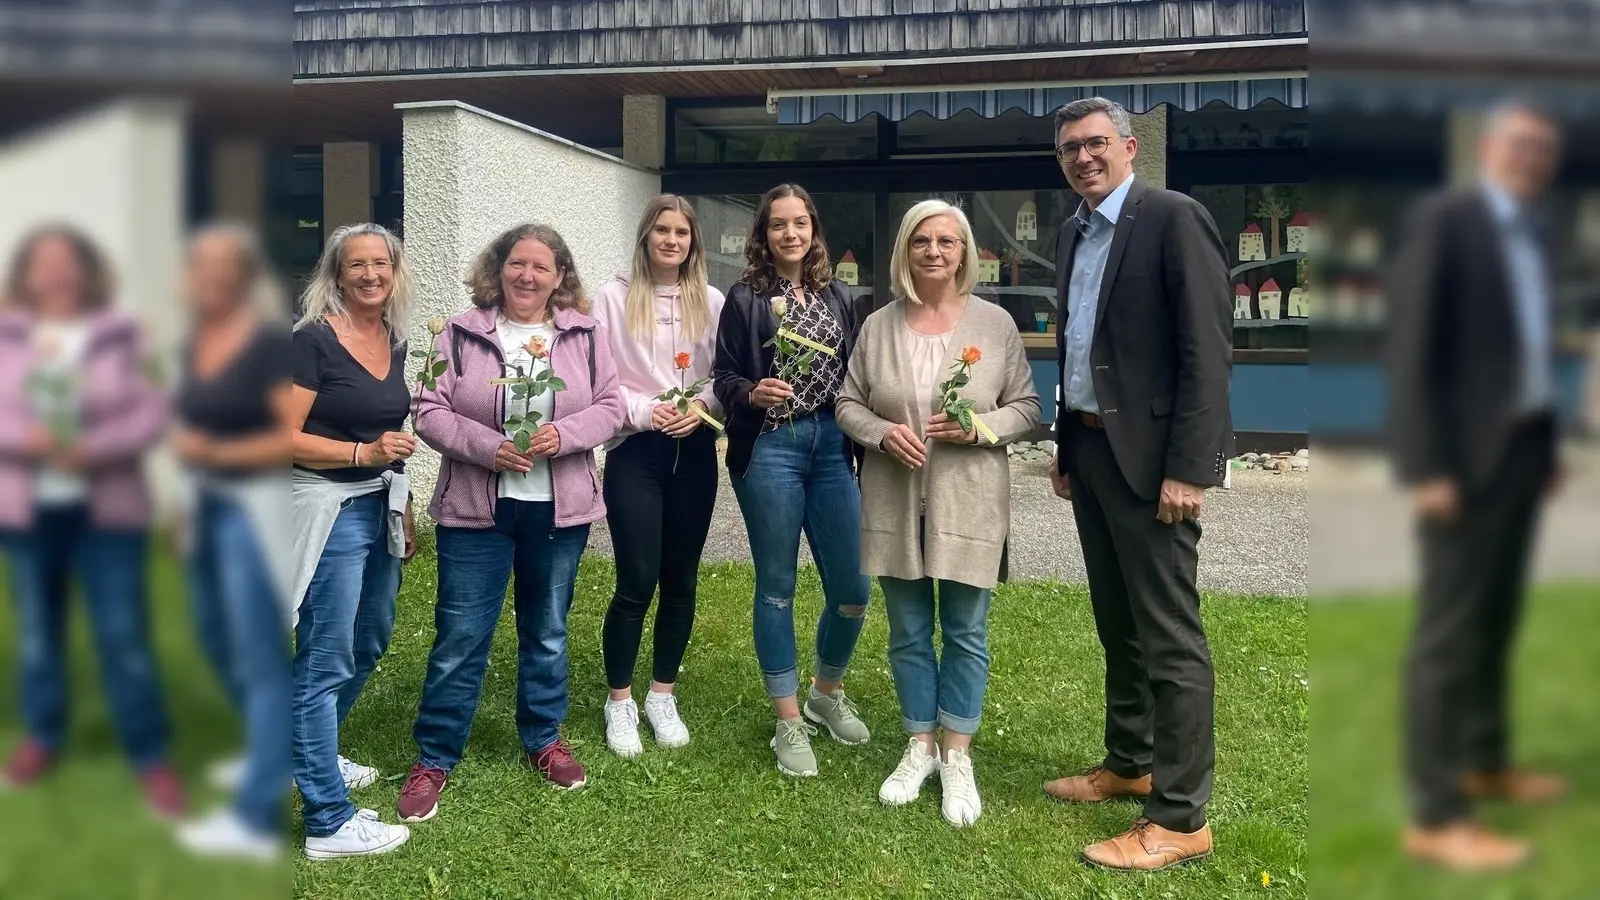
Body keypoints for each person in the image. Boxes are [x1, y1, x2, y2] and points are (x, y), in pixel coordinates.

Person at [1040, 97, 1234, 871]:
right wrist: (1065, 443)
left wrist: (1190, 466)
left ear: (1128, 147)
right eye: (1069, 149)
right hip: (1091, 451)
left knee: (1168, 637)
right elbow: (1077, 345)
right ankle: (1131, 763)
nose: (1083, 158)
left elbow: (1208, 352)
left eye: (1095, 143)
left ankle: (1181, 818)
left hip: (1155, 465)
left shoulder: (1173, 218)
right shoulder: (1072, 232)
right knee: (1117, 620)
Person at [1387, 100, 1566, 871]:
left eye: (1543, 149)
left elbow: (1528, 349)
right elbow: (1410, 350)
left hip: (1520, 449)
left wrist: (1544, 446)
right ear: (1489, 147)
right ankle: (1435, 814)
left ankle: (1486, 761)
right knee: (1450, 635)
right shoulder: (1446, 222)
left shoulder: (1534, 232)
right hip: (1459, 463)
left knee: (1497, 619)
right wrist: (1425, 466)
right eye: (1520, 144)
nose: (1532, 158)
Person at [396, 222, 623, 823]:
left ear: (559, 276)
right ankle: (435, 756)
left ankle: (543, 737)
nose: (528, 275)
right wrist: (486, 447)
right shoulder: (460, 334)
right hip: (476, 509)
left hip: (558, 508)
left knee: (547, 629)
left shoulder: (585, 335)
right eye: (517, 263)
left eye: (541, 266)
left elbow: (610, 407)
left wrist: (562, 434)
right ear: (498, 269)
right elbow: (427, 409)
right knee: (460, 636)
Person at [836, 200, 1040, 826]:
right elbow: (847, 403)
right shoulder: (878, 326)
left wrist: (980, 427)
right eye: (921, 240)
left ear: (964, 252)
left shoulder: (995, 324)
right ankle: (919, 744)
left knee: (965, 630)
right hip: (894, 499)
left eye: (947, 241)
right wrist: (879, 433)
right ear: (905, 249)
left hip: (968, 499)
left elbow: (1028, 407)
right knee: (906, 630)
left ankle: (957, 753)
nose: (934, 251)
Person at [0, 224, 185, 818]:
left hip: (108, 512)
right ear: (26, 274)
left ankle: (150, 756)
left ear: (84, 270)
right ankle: (43, 737)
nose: (56, 273)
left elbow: (152, 411)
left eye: (67, 261)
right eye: (43, 263)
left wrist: (93, 448)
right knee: (38, 634)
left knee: (123, 635)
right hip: (27, 513)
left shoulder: (122, 334)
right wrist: (29, 440)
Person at [712, 183, 871, 778]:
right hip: (771, 446)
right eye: (778, 224)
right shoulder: (745, 297)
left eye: (800, 222)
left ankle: (825, 693)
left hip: (832, 446)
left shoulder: (838, 294)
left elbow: (856, 372)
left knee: (854, 587)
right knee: (777, 586)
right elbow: (723, 375)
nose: (790, 233)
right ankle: (787, 720)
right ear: (764, 233)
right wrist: (750, 392)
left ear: (813, 229)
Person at [290, 222, 418, 860]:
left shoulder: (393, 339)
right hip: (328, 506)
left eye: (381, 263)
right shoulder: (312, 341)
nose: (370, 274)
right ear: (336, 275)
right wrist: (360, 453)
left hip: (379, 503)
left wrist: (405, 504)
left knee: (369, 638)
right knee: (325, 656)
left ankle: (308, 752)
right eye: (356, 265)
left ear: (395, 272)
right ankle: (328, 821)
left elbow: (393, 431)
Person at [170, 224, 294, 861]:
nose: (212, 278)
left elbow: (289, 438)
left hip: (257, 510)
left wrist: (217, 452)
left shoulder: (269, 345)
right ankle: (269, 749)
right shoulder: (192, 344)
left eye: (225, 267)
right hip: (206, 506)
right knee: (215, 636)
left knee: (258, 653)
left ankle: (255, 819)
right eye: (202, 266)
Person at [591, 195, 725, 758]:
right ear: (645, 235)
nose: (672, 241)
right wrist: (647, 411)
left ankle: (661, 694)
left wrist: (703, 406)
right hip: (637, 451)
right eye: (662, 230)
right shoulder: (613, 297)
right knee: (637, 579)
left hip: (693, 452)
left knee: (681, 580)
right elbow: (598, 379)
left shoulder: (711, 300)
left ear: (693, 242)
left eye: (682, 233)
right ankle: (619, 700)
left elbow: (725, 374)